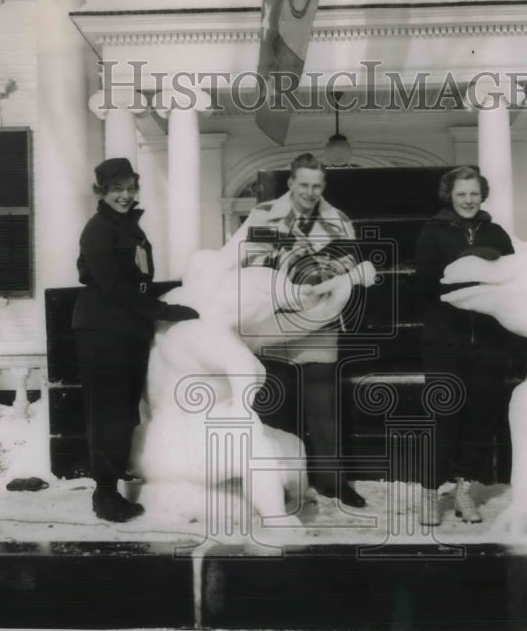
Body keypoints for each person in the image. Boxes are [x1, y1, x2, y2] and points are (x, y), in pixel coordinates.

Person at [223, 152, 367, 508]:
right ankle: (280, 484)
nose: (309, 192)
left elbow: (349, 260)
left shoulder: (338, 220)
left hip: (319, 319)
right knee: (275, 406)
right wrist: (293, 270)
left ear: (323, 186)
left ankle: (333, 482)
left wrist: (324, 273)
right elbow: (251, 261)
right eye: (303, 184)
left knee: (323, 407)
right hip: (273, 321)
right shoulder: (263, 215)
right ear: (290, 183)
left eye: (316, 186)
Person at [72, 158, 199, 523]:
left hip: (126, 328)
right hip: (102, 330)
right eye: (117, 189)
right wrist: (163, 310)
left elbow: (137, 282)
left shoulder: (129, 228)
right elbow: (113, 286)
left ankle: (112, 485)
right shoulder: (98, 230)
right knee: (108, 413)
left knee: (124, 412)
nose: (125, 196)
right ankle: (105, 495)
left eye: (130, 188)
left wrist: (174, 297)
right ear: (101, 192)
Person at [415, 167, 516, 525]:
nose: (468, 200)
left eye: (474, 193)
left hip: (488, 342)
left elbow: (512, 279)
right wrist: (463, 282)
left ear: (482, 195)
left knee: (480, 418)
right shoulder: (433, 232)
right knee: (443, 417)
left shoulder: (496, 233)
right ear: (450, 196)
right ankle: (430, 493)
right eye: (461, 194)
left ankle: (464, 491)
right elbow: (424, 286)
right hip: (445, 340)